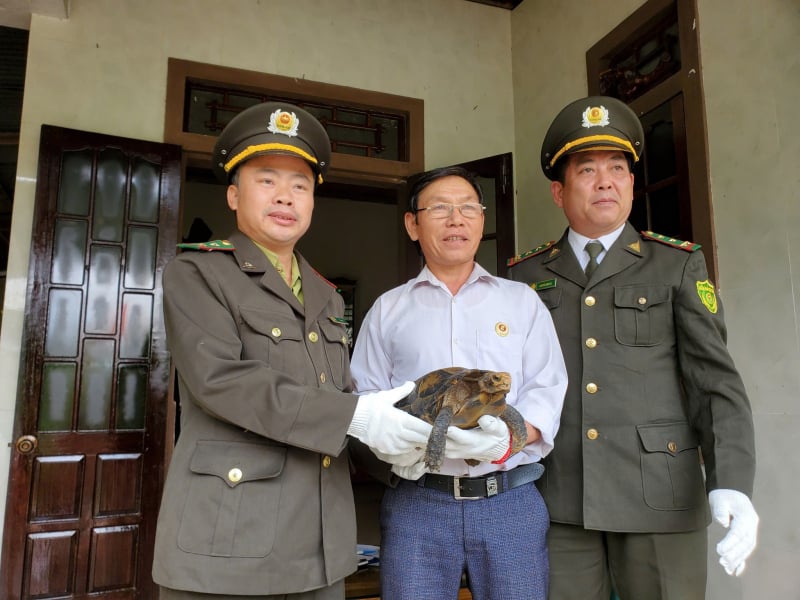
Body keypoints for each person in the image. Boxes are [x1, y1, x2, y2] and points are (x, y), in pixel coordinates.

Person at [151, 101, 434, 600]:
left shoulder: (325, 295)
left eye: (301, 185)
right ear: (235, 196)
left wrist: (402, 450)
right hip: (231, 537)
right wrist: (358, 415)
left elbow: (338, 397)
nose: (286, 196)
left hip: (319, 543)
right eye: (267, 180)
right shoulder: (197, 274)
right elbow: (222, 380)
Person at [507, 95, 759, 600]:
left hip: (660, 496)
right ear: (559, 191)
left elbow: (716, 383)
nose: (606, 181)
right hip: (560, 500)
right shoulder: (524, 277)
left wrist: (731, 481)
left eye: (618, 168)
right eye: (588, 170)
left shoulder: (676, 265)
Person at [350, 166, 567, 600]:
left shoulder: (521, 301)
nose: (457, 219)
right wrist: (390, 442)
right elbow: (365, 396)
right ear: (413, 224)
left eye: (469, 208)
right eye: (441, 209)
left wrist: (508, 440)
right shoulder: (388, 309)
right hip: (418, 502)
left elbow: (547, 387)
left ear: (482, 222)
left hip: (509, 500)